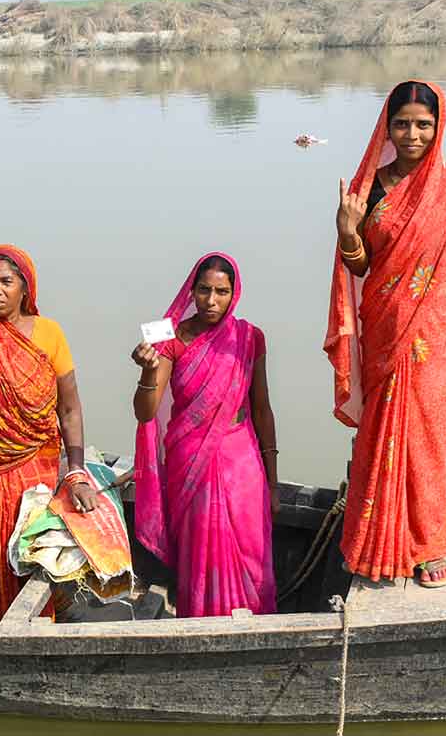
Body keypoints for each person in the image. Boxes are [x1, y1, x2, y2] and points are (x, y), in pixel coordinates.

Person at [327, 80, 446, 589]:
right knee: (381, 434)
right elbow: (362, 266)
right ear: (388, 127)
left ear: (438, 126)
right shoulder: (370, 189)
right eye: (403, 123)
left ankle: (429, 545)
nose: (413, 134)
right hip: (386, 329)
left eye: (423, 124)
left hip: (441, 333)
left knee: (429, 441)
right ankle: (376, 540)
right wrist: (348, 232)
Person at [0, 244, 98, 621]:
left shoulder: (49, 332)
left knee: (27, 551)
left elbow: (69, 406)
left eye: (6, 282)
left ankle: (34, 625)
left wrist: (76, 470)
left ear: (25, 289)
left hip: (36, 464)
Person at [131, 253, 278, 618]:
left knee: (251, 552)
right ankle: (200, 624)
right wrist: (149, 371)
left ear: (234, 293)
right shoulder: (167, 337)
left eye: (221, 292)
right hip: (190, 458)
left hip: (241, 461)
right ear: (191, 291)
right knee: (200, 553)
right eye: (204, 290)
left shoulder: (249, 338)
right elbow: (144, 412)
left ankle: (257, 625)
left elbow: (261, 409)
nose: (211, 301)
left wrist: (273, 483)